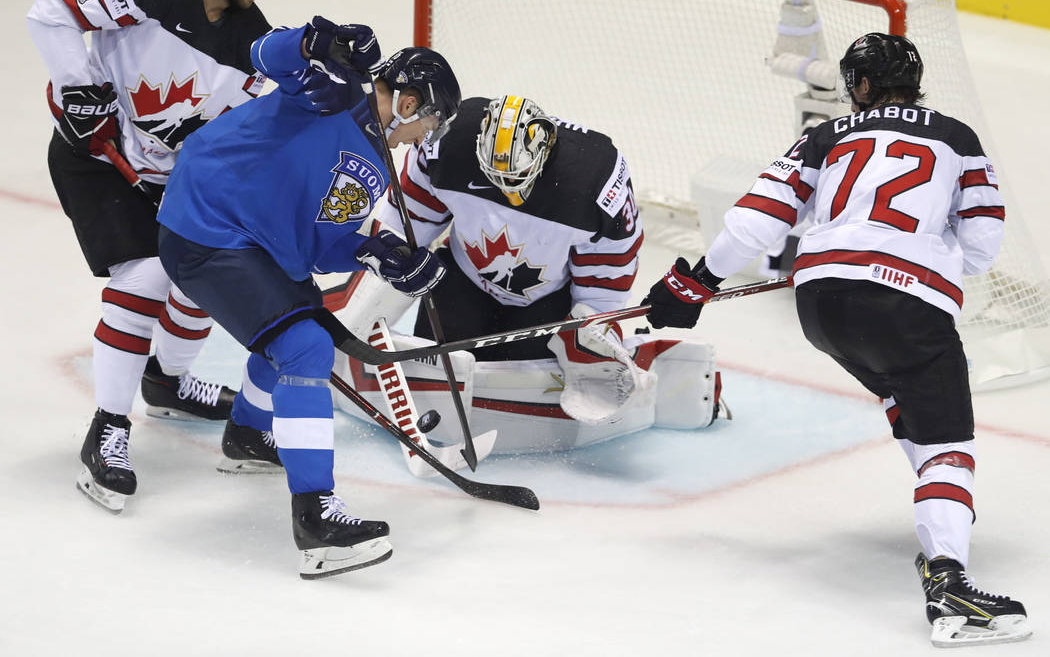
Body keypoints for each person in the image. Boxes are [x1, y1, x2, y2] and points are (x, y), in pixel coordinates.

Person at [642, 33, 1030, 647]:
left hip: (821, 304)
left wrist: (699, 282)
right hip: (907, 307)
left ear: (863, 86)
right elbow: (982, 250)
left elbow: (755, 219)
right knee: (948, 447)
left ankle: (939, 515)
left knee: (902, 399)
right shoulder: (957, 138)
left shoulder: (827, 136)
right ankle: (950, 586)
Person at [157, 20, 462, 578]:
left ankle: (248, 433)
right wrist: (312, 42)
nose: (424, 138)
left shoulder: (374, 162)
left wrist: (379, 253)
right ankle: (316, 518)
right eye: (429, 123)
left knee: (299, 329)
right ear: (410, 100)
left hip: (255, 244)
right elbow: (264, 55)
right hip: (206, 224)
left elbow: (323, 248)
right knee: (303, 349)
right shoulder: (334, 90)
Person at [26, 0, 291, 513]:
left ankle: (167, 381)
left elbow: (248, 133)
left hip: (165, 181)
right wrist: (78, 87)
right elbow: (52, 9)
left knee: (203, 267)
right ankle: (109, 428)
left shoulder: (253, 43)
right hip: (93, 160)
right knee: (146, 274)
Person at [333, 93, 723, 451]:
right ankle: (340, 333)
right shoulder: (447, 142)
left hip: (547, 302)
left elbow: (605, 280)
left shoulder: (596, 180)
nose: (507, 193)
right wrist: (395, 255)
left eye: (516, 181)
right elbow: (407, 222)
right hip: (461, 282)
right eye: (494, 179)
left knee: (520, 377)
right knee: (437, 369)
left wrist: (593, 330)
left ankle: (629, 355)